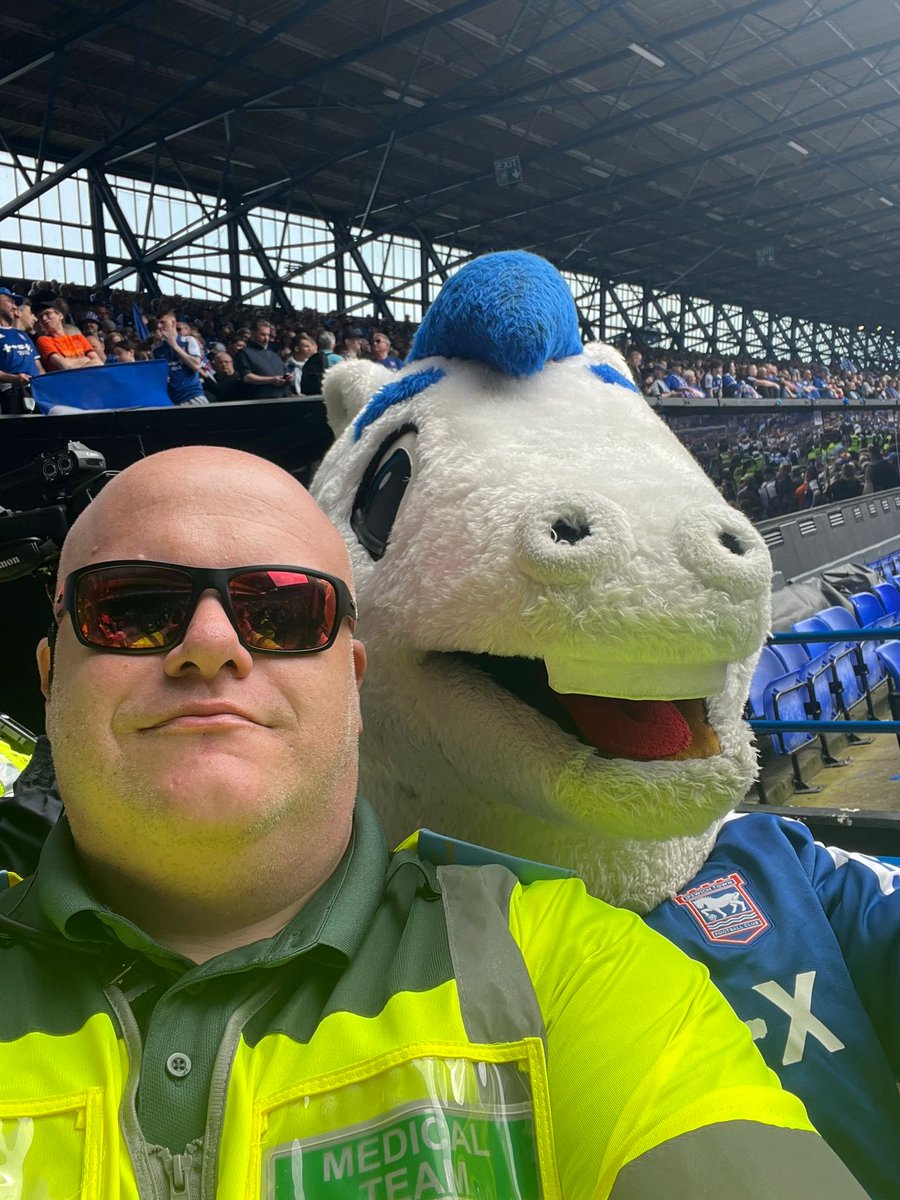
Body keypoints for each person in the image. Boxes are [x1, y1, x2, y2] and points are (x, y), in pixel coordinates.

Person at [0, 446, 865, 1199]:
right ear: (49, 673)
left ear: (355, 680)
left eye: (285, 613)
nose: (213, 641)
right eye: (135, 608)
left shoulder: (565, 964)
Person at [0, 285, 43, 413]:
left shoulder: (22, 335)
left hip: (34, 393)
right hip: (8, 394)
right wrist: (13, 378)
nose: (14, 307)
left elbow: (38, 367)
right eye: (9, 302)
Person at [152, 311, 209, 406]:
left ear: (173, 323)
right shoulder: (156, 350)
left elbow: (196, 366)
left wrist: (175, 346)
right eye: (158, 323)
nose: (159, 326)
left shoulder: (188, 341)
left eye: (163, 322)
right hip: (171, 400)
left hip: (192, 396)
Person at [34, 303, 104, 371]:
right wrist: (86, 359)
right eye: (40, 317)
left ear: (60, 315)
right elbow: (65, 366)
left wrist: (71, 363)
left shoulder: (79, 338)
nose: (44, 318)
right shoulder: (44, 340)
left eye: (47, 313)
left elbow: (99, 362)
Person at [234, 319, 293, 398]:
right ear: (253, 333)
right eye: (263, 335)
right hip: (262, 399)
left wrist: (290, 377)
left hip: (284, 395)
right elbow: (246, 377)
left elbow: (285, 371)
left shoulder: (273, 354)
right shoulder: (244, 353)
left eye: (268, 335)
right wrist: (271, 380)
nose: (267, 339)